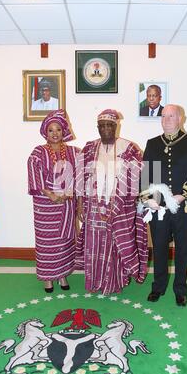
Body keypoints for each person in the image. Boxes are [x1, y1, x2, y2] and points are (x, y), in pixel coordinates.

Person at [75, 109, 148, 295]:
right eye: (102, 126)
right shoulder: (90, 147)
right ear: (97, 128)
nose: (105, 129)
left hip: (120, 204)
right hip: (93, 204)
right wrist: (80, 204)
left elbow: (138, 175)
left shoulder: (129, 148)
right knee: (95, 243)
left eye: (109, 125)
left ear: (116, 126)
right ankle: (95, 282)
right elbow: (80, 178)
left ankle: (114, 282)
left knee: (115, 243)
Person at [141, 104, 187, 306]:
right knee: (159, 247)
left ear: (180, 119)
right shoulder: (152, 144)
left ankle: (180, 289)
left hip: (182, 206)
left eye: (171, 116)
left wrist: (183, 196)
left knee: (183, 248)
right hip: (158, 208)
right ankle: (158, 287)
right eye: (163, 116)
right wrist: (147, 198)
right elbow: (146, 175)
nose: (166, 119)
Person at [28, 110, 79, 293]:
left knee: (65, 241)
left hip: (66, 204)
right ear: (45, 132)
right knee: (47, 242)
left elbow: (81, 176)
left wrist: (69, 193)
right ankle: (48, 278)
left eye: (58, 129)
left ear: (64, 131)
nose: (55, 133)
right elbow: (34, 174)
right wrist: (50, 194)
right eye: (51, 130)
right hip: (45, 205)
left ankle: (63, 274)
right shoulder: (38, 152)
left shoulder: (74, 152)